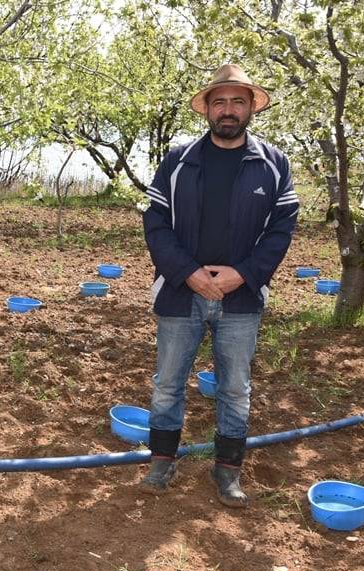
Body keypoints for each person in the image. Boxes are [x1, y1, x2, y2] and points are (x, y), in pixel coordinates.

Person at [139, 64, 298, 507]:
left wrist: (242, 275)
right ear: (207, 109)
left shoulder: (273, 164)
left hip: (241, 298)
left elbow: (282, 229)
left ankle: (228, 470)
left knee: (234, 386)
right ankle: (162, 461)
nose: (228, 110)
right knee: (168, 382)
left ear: (250, 108)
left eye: (238, 101)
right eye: (220, 102)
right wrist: (187, 272)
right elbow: (156, 222)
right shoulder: (179, 160)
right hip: (180, 291)